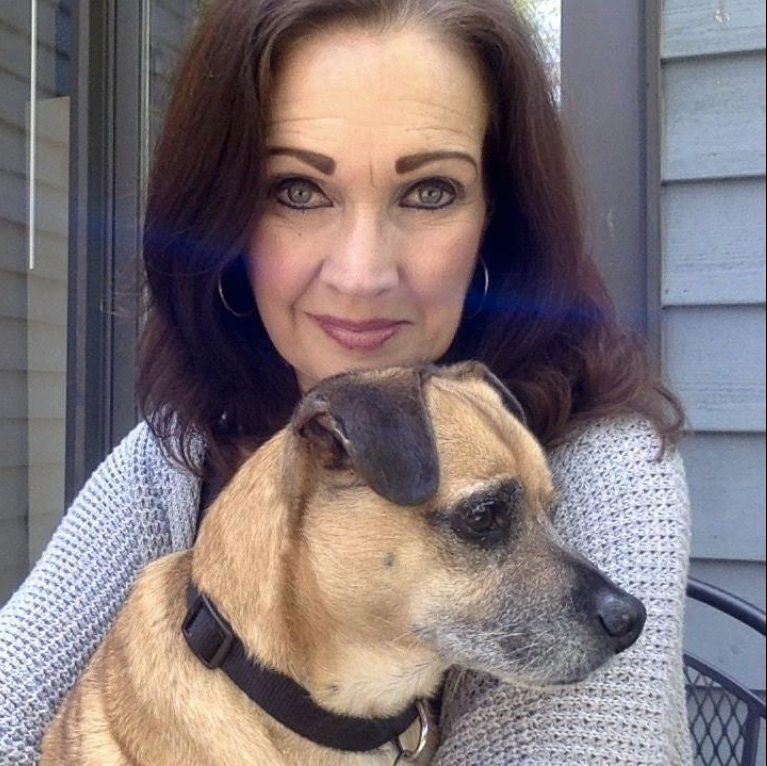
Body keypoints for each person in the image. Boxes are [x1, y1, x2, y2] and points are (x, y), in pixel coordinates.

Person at [0, 0, 693, 763]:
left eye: (429, 190)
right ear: (223, 223)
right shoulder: (176, 458)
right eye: (297, 190)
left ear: (497, 221)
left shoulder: (606, 469)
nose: (362, 275)